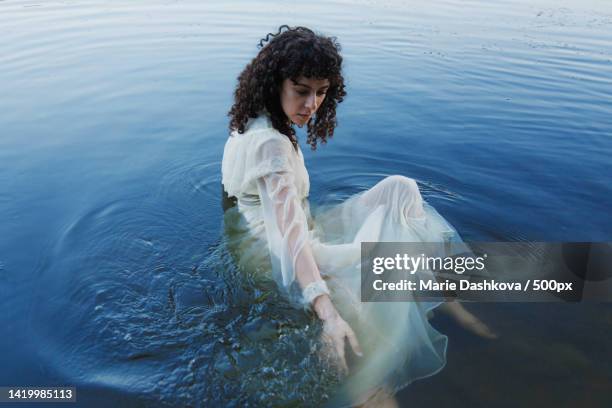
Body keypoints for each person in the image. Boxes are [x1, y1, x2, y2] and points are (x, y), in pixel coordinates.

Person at [221, 25, 494, 407]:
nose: (312, 104)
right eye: (301, 91)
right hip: (275, 248)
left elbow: (233, 196)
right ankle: (367, 390)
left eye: (321, 92)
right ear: (275, 82)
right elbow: (291, 238)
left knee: (400, 189)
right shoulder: (271, 145)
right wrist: (326, 310)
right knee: (368, 275)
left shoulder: (254, 119)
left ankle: (440, 290)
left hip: (300, 224)